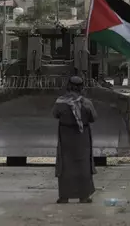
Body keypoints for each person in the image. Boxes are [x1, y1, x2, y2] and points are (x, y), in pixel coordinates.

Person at [52, 75, 98, 204]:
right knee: (83, 164)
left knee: (65, 164)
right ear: (81, 87)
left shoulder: (60, 102)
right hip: (82, 136)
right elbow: (93, 117)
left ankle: (64, 197)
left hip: (65, 136)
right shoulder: (86, 102)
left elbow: (55, 114)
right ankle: (83, 197)